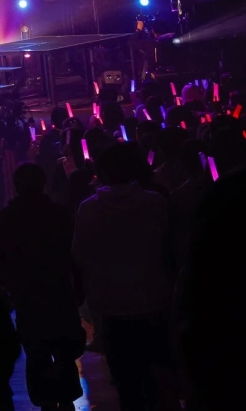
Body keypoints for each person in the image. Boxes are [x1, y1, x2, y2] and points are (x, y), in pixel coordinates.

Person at [72, 144, 173, 411]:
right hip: (154, 298)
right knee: (158, 380)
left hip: (111, 304)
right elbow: (170, 251)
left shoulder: (89, 209)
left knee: (126, 383)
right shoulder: (156, 203)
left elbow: (79, 255)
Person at [0, 163, 85, 411]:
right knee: (64, 349)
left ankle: (46, 401)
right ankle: (66, 398)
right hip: (59, 290)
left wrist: (7, 285)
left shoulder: (7, 219)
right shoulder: (58, 214)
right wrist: (80, 284)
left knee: (36, 351)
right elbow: (75, 253)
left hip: (26, 295)